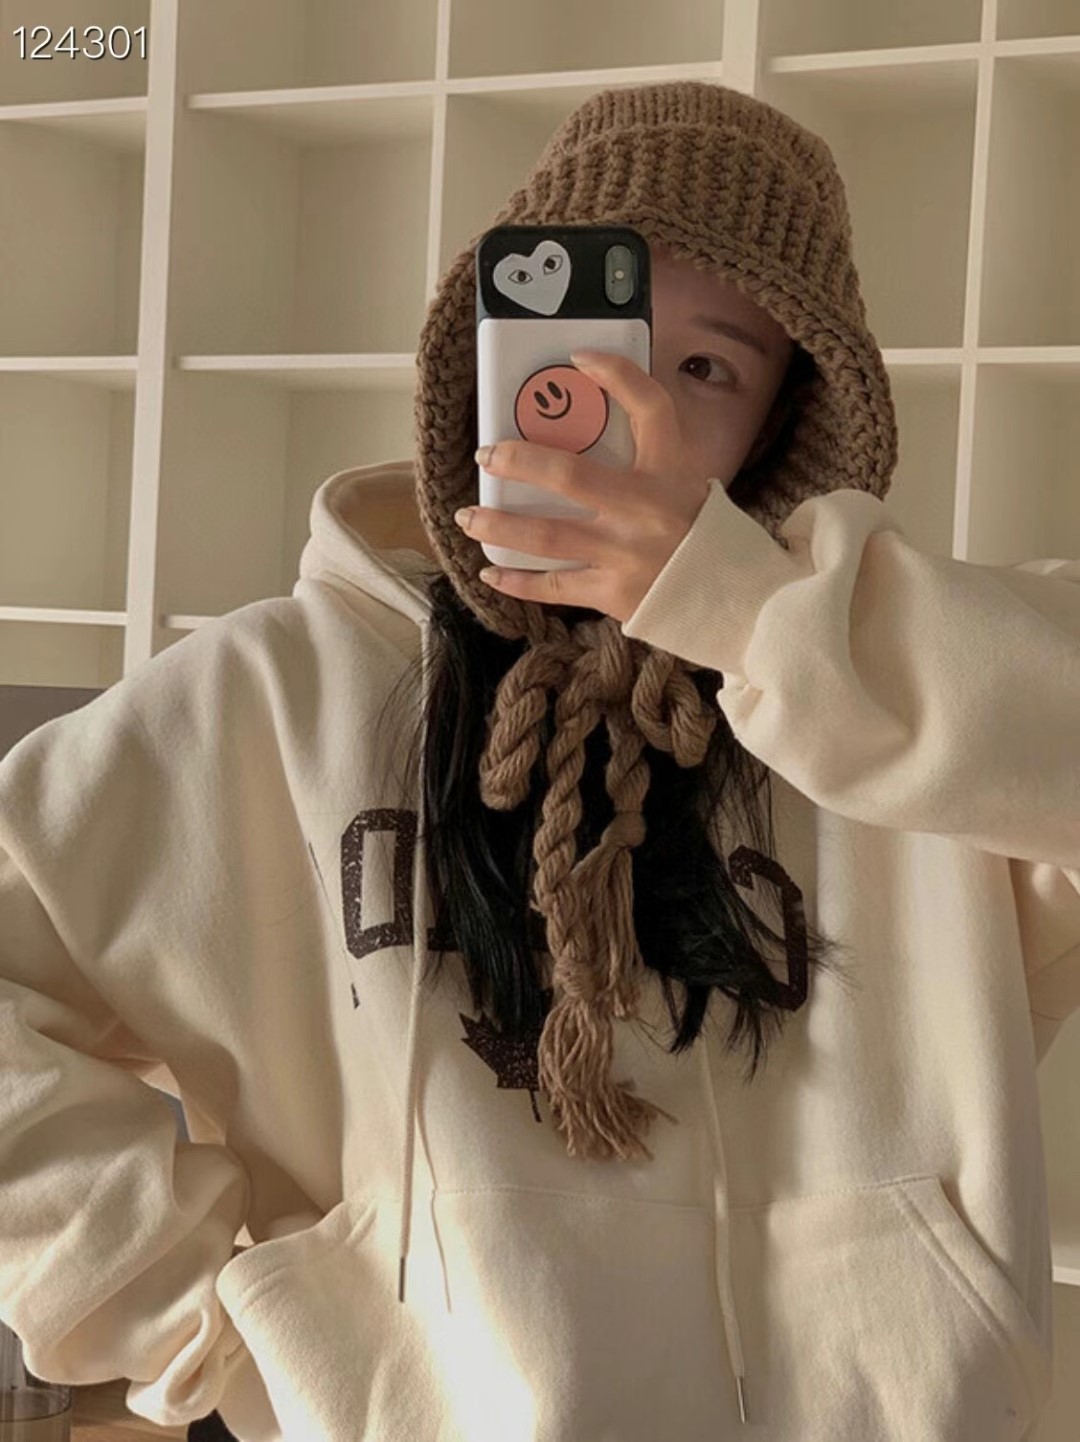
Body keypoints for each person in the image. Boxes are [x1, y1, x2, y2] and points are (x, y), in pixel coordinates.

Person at [1, 79, 1078, 1442]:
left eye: (708, 369)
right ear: (491, 360)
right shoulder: (276, 691)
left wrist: (754, 614)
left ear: (781, 426)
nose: (634, 405)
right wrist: (206, 1322)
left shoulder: (913, 700)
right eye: (592, 341)